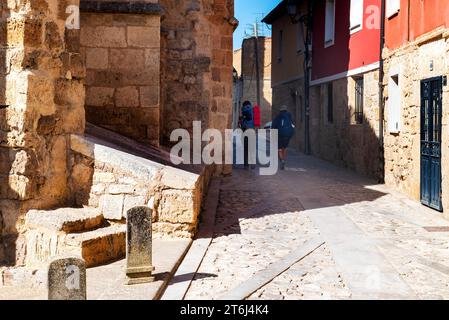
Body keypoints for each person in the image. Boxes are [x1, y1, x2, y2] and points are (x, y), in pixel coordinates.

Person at [271, 105, 295, 170]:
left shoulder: (278, 117)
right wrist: (291, 133)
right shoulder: (289, 116)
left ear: (280, 110)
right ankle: (283, 159)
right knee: (284, 147)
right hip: (288, 134)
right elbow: (293, 125)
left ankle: (282, 160)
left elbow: (273, 126)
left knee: (279, 148)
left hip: (280, 134)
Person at [241, 101, 255, 168]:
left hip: (246, 130)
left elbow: (244, 120)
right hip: (252, 130)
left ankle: (246, 165)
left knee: (246, 148)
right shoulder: (252, 110)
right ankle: (253, 163)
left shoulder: (244, 109)